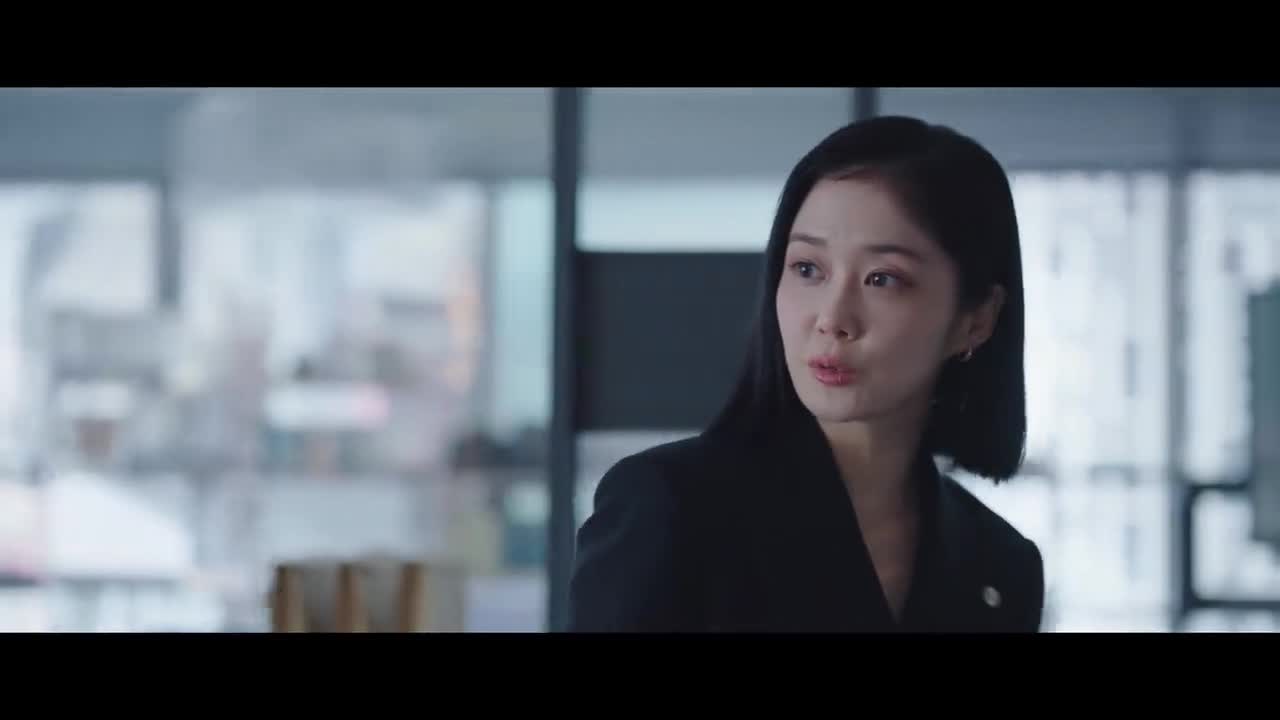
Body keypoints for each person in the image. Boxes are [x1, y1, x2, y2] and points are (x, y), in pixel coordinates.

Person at [567, 115, 1044, 632]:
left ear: (976, 320)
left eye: (882, 279)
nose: (832, 319)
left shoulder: (1001, 562)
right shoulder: (671, 507)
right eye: (807, 269)